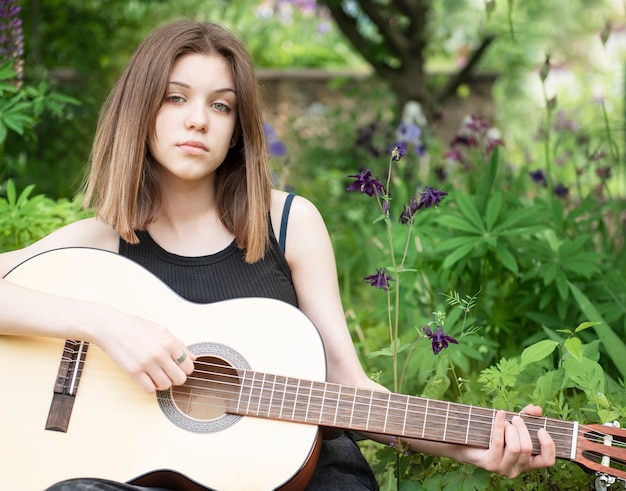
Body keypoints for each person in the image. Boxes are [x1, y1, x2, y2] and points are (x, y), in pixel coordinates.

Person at [0, 19, 556, 491]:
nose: (198, 119)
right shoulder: (104, 241)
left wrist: (472, 445)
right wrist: (106, 324)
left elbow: (347, 385)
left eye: (221, 106)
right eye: (176, 97)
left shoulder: (288, 223)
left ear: (237, 129)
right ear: (139, 110)